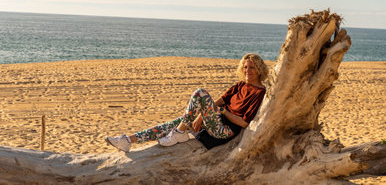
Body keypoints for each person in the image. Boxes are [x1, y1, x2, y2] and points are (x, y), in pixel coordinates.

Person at [105, 53, 268, 152]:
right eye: (245, 67)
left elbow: (244, 123)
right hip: (215, 121)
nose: (247, 71)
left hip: (226, 131)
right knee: (174, 123)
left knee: (200, 93)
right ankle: (127, 140)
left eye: (251, 68)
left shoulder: (260, 92)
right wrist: (201, 117)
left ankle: (179, 133)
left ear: (259, 70)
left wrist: (223, 112)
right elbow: (219, 101)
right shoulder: (240, 85)